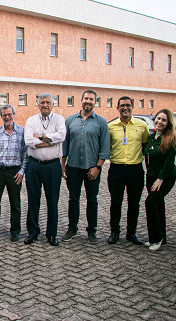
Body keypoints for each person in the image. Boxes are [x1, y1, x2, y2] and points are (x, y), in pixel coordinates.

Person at [61, 90, 110, 244]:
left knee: (92, 200)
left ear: (95, 102)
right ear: (81, 100)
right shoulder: (70, 120)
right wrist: (63, 165)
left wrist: (98, 167)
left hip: (92, 168)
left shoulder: (101, 122)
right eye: (86, 98)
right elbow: (65, 144)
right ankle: (72, 228)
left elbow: (105, 147)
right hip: (73, 166)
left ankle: (92, 231)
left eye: (91, 99)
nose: (88, 101)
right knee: (73, 199)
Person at [24, 93, 66, 246]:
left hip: (52, 166)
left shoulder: (59, 119)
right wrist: (50, 141)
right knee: (33, 200)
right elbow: (28, 140)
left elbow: (61, 136)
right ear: (38, 104)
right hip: (34, 165)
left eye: (47, 102)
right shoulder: (31, 120)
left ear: (52, 104)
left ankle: (52, 234)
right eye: (42, 102)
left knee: (52, 201)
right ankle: (33, 232)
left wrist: (40, 137)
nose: (45, 105)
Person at [107, 96, 150, 245]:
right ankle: (114, 232)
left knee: (134, 203)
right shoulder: (110, 126)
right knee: (115, 202)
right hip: (116, 169)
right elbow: (107, 147)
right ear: (117, 108)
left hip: (135, 170)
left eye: (128, 105)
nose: (125, 108)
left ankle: (131, 233)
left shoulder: (142, 125)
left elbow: (145, 146)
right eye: (122, 106)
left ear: (132, 107)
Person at [0, 104, 28, 242]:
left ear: (14, 114)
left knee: (15, 203)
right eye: (4, 115)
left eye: (9, 114)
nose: (7, 117)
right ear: (1, 116)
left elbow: (26, 155)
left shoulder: (22, 132)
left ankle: (15, 231)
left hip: (14, 172)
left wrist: (22, 172)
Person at [143, 109, 176, 251]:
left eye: (164, 120)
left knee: (150, 203)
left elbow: (169, 162)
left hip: (165, 178)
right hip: (151, 177)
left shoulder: (171, 139)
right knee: (158, 206)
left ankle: (155, 239)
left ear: (168, 123)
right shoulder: (152, 137)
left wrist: (160, 179)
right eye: (158, 119)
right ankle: (162, 238)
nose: (160, 122)